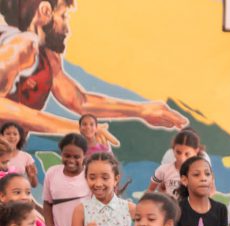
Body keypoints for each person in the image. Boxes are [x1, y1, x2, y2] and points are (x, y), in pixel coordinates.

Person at [0, 0, 186, 142]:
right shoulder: (21, 45)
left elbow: (80, 101)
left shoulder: (47, 56)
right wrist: (77, 128)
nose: (68, 29)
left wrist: (142, 110)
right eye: (64, 16)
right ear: (45, 11)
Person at [148, 131, 202, 199]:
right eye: (178, 152)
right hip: (168, 208)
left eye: (187, 154)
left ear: (196, 151)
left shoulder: (202, 174)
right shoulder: (163, 170)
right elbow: (150, 191)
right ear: (173, 149)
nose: (181, 158)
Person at [0, 122, 38, 187]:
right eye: (8, 134)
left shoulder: (26, 157)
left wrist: (32, 176)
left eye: (15, 134)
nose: (11, 136)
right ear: (1, 136)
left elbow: (34, 185)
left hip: (18, 194)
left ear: (20, 137)